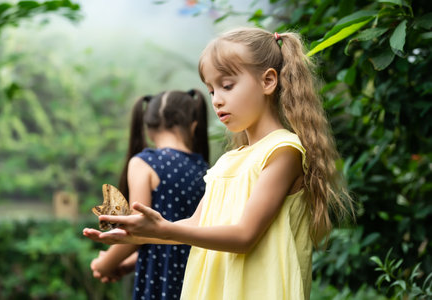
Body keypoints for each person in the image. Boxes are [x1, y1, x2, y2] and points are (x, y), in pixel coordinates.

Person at [84, 27, 354, 300]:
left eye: (227, 86)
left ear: (268, 81)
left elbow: (245, 236)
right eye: (211, 90)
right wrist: (138, 235)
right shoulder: (227, 162)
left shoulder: (282, 151)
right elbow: (194, 226)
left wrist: (163, 228)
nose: (217, 100)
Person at [88, 90, 210, 300]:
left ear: (148, 127)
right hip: (197, 278)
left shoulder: (145, 163)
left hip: (159, 280)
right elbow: (181, 237)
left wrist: (105, 264)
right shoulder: (204, 167)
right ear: (193, 125)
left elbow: (136, 233)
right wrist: (129, 263)